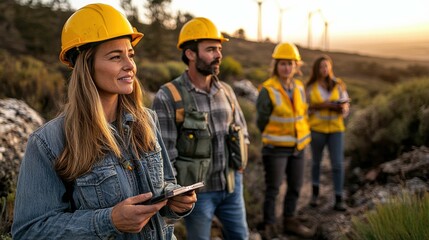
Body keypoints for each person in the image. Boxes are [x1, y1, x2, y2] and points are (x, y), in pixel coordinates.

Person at [12, 3, 196, 239]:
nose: (130, 65)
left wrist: (174, 199)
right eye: (115, 56)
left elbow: (166, 184)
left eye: (130, 54)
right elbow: (30, 231)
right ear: (86, 66)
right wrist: (108, 221)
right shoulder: (49, 142)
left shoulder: (147, 121)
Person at [152, 17, 249, 240]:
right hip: (198, 195)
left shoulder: (225, 90)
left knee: (241, 236)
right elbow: (165, 154)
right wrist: (179, 195)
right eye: (211, 49)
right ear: (190, 54)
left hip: (232, 187)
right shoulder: (168, 96)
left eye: (219, 49)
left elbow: (242, 130)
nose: (218, 55)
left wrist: (239, 168)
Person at [256, 42, 314, 239]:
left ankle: (290, 220)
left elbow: (302, 115)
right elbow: (261, 121)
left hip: (298, 147)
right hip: (276, 149)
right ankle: (269, 226)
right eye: (282, 64)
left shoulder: (299, 87)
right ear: (276, 65)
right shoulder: (268, 89)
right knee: (273, 188)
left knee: (296, 187)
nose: (286, 68)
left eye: (290, 64)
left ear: (296, 66)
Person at [305, 55, 350, 211]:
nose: (324, 69)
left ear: (330, 67)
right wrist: (322, 106)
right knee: (316, 163)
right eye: (321, 67)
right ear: (316, 69)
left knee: (337, 164)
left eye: (326, 66)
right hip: (317, 130)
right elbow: (305, 109)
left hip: (336, 130)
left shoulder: (339, 85)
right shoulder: (310, 87)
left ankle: (339, 198)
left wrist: (342, 109)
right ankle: (314, 195)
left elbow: (346, 109)